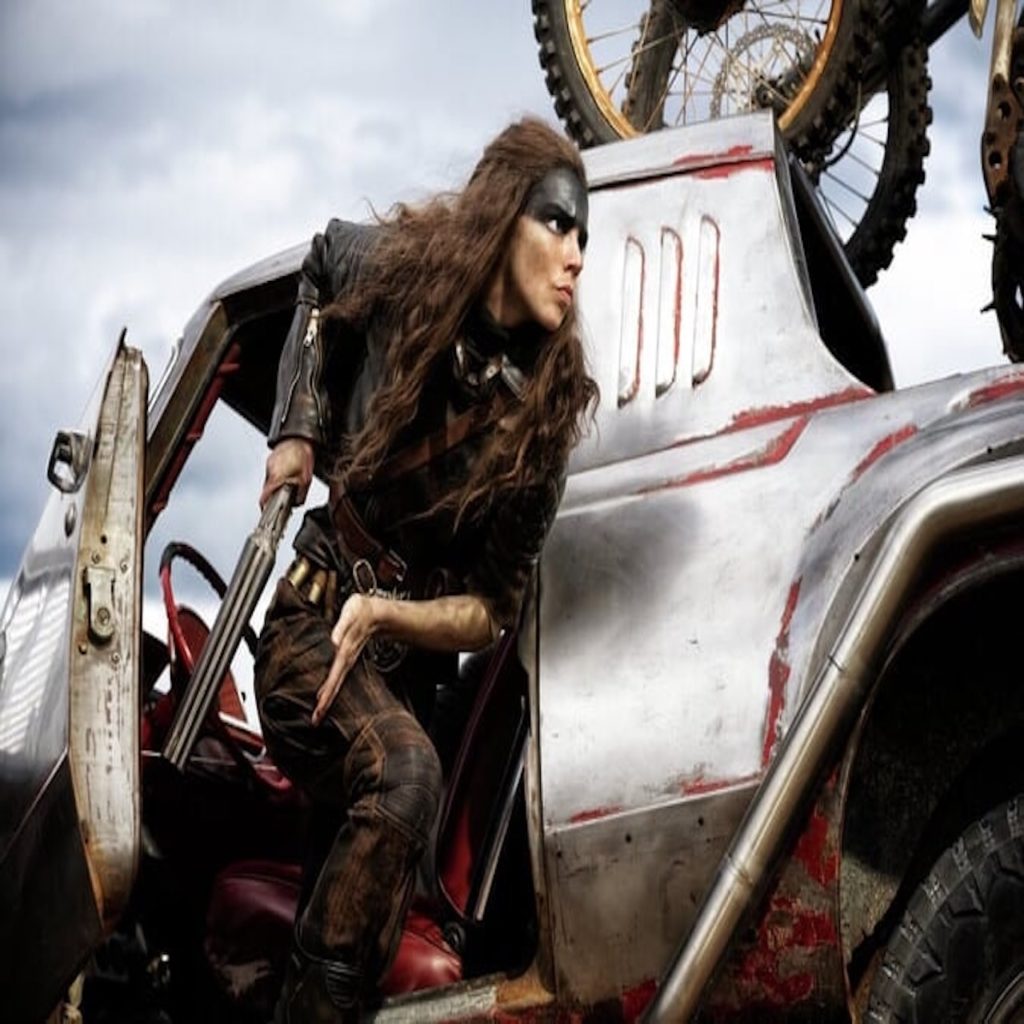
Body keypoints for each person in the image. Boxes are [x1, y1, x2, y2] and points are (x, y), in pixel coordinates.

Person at [254, 117, 598, 1022]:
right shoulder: (404, 276)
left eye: (584, 237)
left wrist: (389, 617)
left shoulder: (547, 413)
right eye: (558, 223)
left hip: (402, 674)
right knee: (405, 775)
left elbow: (490, 609)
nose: (575, 256)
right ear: (503, 217)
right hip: (310, 629)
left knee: (358, 912)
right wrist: (297, 426)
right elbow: (322, 264)